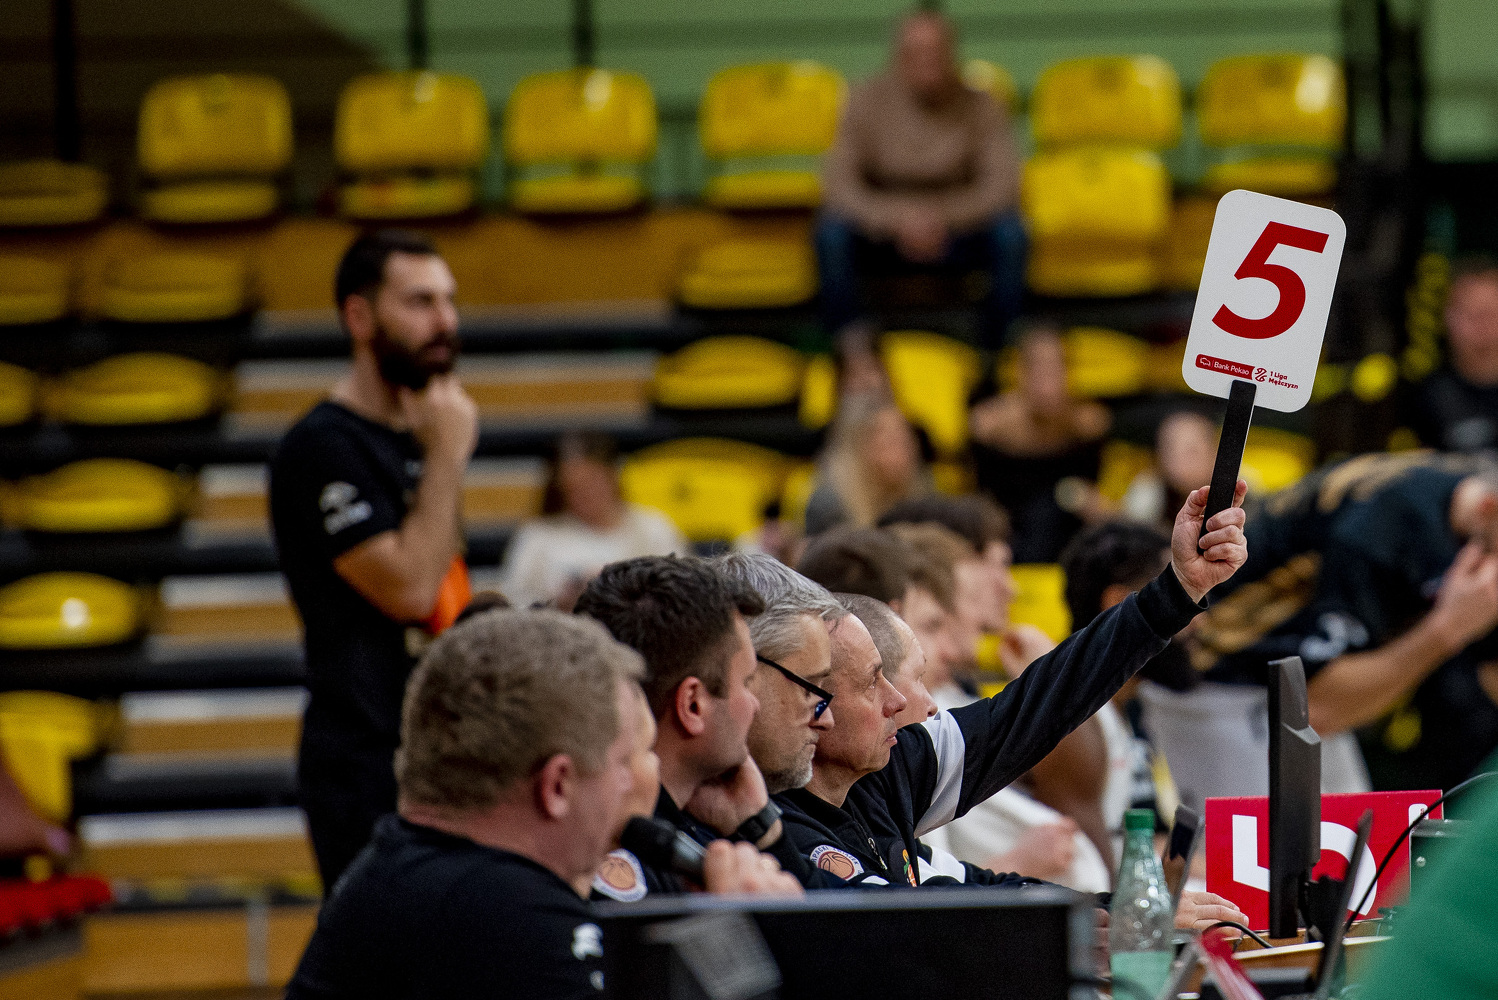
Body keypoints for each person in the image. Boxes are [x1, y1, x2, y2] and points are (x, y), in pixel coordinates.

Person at [774, 483, 1251, 915]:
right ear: (810, 702)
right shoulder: (783, 832)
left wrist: (1178, 589)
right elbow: (920, 917)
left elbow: (1038, 706)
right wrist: (1112, 916)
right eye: (872, 682)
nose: (902, 701)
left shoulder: (888, 769)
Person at [285, 609, 797, 1000]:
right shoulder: (502, 911)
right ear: (557, 786)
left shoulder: (411, 871)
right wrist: (746, 940)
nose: (643, 780)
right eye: (628, 759)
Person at [270, 229, 478, 888]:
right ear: (359, 317)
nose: (444, 321)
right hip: (363, 757)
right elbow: (410, 590)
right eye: (420, 302)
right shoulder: (323, 447)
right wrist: (448, 457)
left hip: (436, 749)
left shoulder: (419, 436)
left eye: (448, 300)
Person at [1148, 452, 1498, 804]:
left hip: (1289, 682)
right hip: (1215, 676)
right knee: (1268, 838)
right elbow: (1319, 710)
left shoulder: (1459, 487)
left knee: (1360, 835)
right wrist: (1447, 630)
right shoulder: (1379, 534)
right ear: (1488, 506)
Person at [574, 556, 828, 895]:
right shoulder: (616, 856)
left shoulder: (683, 828)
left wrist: (761, 828)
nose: (753, 704)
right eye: (746, 682)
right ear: (693, 705)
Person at [817, 9, 1025, 345]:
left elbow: (1001, 187)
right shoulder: (863, 100)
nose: (928, 61)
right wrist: (897, 220)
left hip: (959, 231)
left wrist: (940, 217)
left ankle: (996, 351)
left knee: (1011, 235)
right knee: (831, 234)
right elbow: (839, 186)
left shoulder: (984, 105)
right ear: (897, 56)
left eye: (936, 51)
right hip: (882, 235)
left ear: (953, 53)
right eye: (916, 52)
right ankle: (853, 353)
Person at [970, 326, 1111, 562]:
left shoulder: (1088, 424)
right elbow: (981, 493)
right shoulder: (989, 426)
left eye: (1055, 368)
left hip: (1069, 529)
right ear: (1019, 372)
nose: (1047, 379)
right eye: (1038, 368)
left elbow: (1093, 495)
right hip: (1008, 532)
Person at [502, 432, 686, 610]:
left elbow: (681, 597)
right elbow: (515, 605)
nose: (586, 495)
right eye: (573, 487)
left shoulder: (654, 529)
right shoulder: (537, 536)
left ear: (612, 476)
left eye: (593, 482)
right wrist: (559, 604)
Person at [804, 395, 928, 536]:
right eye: (890, 442)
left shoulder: (923, 493)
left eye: (905, 441)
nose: (902, 452)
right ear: (860, 447)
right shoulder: (829, 504)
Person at [1410, 255, 1498, 453]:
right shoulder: (1429, 397)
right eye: (1472, 314)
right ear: (1449, 319)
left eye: (1492, 313)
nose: (1484, 326)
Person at [1118, 411, 1218, 531]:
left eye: (1191, 451)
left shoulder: (1235, 495)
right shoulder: (1148, 491)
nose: (1179, 461)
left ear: (1214, 453)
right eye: (1171, 450)